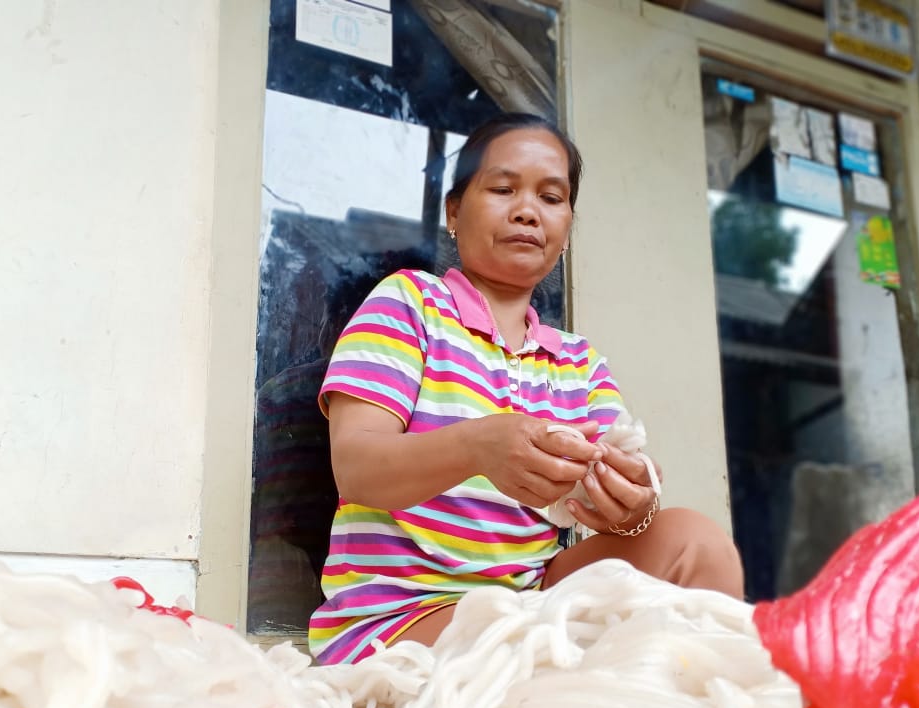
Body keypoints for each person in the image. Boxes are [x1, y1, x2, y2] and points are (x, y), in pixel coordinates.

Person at [308, 113, 744, 665]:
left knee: (693, 543)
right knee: (540, 652)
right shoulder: (408, 304)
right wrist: (479, 445)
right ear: (453, 211)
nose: (527, 211)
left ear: (566, 225)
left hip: (529, 604)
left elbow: (632, 489)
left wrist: (630, 506)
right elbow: (356, 466)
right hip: (399, 622)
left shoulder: (579, 361)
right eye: (503, 188)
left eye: (551, 197)